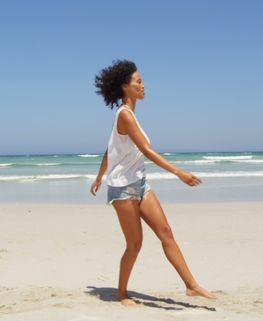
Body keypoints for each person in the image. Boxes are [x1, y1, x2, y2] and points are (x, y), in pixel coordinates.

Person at [89, 59, 217, 307]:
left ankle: (191, 285)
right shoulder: (124, 115)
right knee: (135, 245)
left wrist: (97, 176)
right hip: (123, 188)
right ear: (125, 86)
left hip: (140, 184)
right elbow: (146, 150)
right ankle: (122, 293)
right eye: (138, 81)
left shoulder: (131, 116)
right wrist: (179, 173)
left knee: (166, 232)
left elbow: (110, 149)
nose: (143, 85)